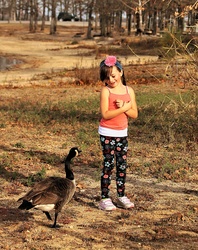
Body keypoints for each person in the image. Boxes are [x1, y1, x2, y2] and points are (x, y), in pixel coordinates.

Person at [98, 55, 138, 211]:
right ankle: (104, 198)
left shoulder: (129, 91)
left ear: (121, 72)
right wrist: (123, 108)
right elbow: (105, 114)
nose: (111, 80)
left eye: (113, 75)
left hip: (122, 134)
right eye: (107, 77)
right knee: (108, 164)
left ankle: (121, 196)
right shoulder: (105, 91)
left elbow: (134, 114)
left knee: (122, 165)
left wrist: (126, 107)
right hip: (107, 133)